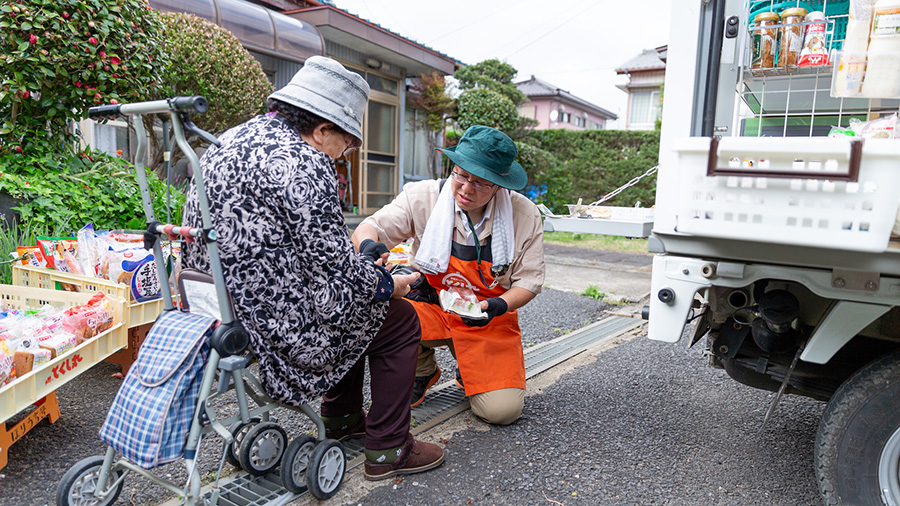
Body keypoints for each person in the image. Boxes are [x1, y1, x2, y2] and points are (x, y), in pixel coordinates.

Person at [181, 56, 443, 481]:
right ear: (322, 130)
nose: (347, 153)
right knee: (396, 318)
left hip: (218, 311)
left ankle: (341, 419)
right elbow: (335, 276)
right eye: (348, 142)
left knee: (359, 307)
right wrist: (390, 283)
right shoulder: (304, 162)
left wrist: (359, 268)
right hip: (277, 330)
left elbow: (297, 250)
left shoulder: (227, 141)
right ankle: (390, 449)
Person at [352, 125, 545, 426]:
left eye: (480, 183)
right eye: (461, 175)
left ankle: (470, 369)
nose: (466, 189)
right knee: (381, 307)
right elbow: (371, 226)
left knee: (501, 412)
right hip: (432, 304)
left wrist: (498, 307)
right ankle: (422, 370)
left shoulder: (524, 215)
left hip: (488, 317)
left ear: (499, 185)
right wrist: (368, 244)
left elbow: (529, 282)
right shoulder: (424, 196)